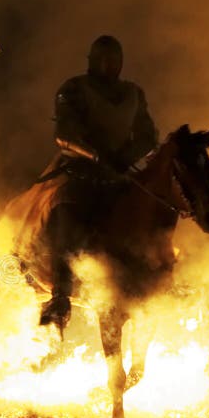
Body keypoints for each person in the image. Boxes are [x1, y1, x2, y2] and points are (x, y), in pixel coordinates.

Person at [39, 35, 158, 330]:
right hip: (80, 171)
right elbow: (64, 134)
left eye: (114, 60)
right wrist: (96, 157)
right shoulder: (73, 89)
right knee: (66, 212)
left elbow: (148, 135)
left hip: (120, 171)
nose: (108, 66)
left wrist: (127, 155)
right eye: (102, 60)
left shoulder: (134, 93)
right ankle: (60, 295)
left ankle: (159, 278)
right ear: (91, 60)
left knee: (152, 214)